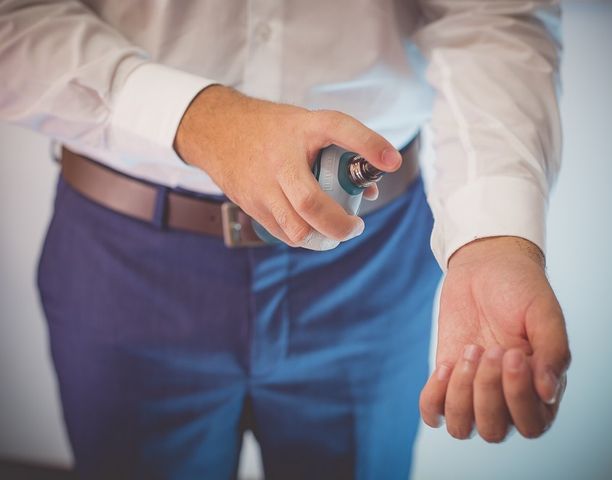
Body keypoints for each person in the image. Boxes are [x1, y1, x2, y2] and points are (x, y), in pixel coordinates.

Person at [0, 0, 571, 479]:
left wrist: (494, 237)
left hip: (372, 260)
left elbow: (491, 18)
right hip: (123, 257)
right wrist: (196, 116)